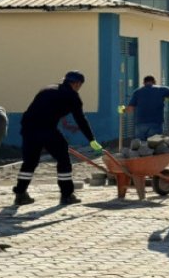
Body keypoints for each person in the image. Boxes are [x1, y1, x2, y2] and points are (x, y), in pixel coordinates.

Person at [14, 71, 103, 206]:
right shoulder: (72, 96)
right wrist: (91, 139)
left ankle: (20, 194)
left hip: (28, 129)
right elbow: (80, 119)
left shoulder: (46, 89)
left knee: (29, 162)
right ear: (77, 84)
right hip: (47, 129)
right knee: (64, 159)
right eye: (80, 85)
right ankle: (67, 195)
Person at [124, 75, 169, 140]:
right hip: (156, 122)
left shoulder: (137, 92)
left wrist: (123, 110)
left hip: (140, 123)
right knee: (154, 144)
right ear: (154, 82)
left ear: (144, 83)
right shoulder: (161, 89)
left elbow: (130, 109)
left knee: (140, 146)